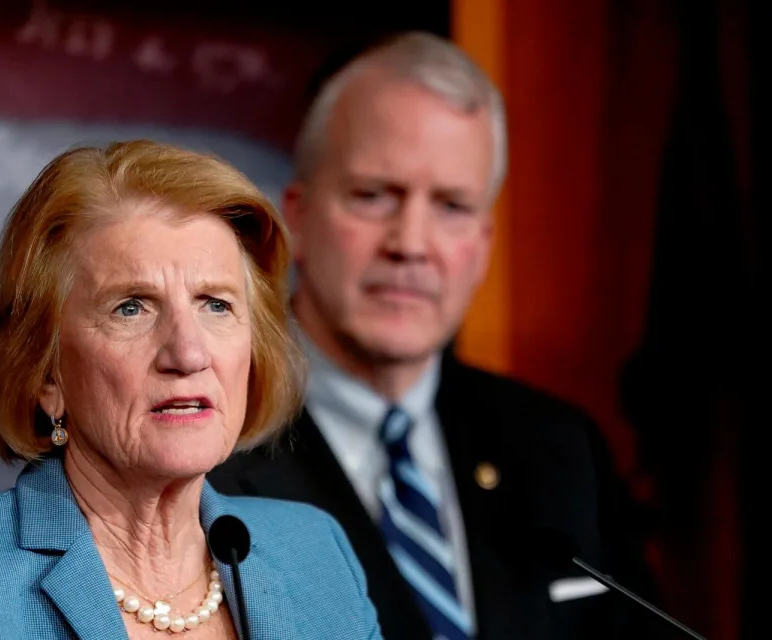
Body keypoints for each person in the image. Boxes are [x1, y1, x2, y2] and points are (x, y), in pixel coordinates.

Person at [208, 32, 656, 640]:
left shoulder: (560, 450)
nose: (411, 244)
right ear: (298, 217)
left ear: (483, 246)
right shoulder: (208, 449)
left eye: (451, 206)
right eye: (373, 196)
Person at [0, 140, 383, 640]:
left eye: (215, 304)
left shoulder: (316, 554)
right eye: (132, 307)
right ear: (46, 373)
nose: (188, 354)